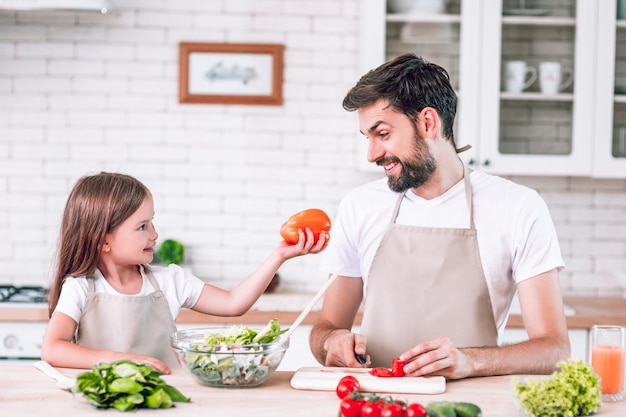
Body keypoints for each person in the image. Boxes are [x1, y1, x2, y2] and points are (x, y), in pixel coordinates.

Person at [309, 54, 570, 380]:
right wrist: (332, 342)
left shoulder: (518, 207)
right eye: (368, 137)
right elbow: (325, 328)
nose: (372, 154)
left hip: (470, 406)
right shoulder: (360, 206)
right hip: (377, 403)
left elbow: (554, 349)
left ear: (428, 123)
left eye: (383, 134)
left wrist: (470, 361)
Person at [41, 172, 327, 374]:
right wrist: (123, 361)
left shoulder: (169, 281)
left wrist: (279, 256)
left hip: (166, 401)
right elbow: (53, 349)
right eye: (142, 226)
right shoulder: (81, 287)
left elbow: (233, 304)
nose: (155, 234)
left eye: (152, 222)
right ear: (103, 240)